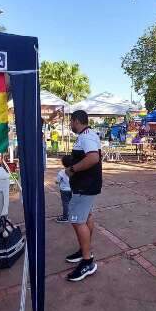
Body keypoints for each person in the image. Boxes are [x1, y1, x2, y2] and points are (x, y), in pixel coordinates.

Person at [64, 110, 102, 282]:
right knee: (86, 217)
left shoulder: (86, 136)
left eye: (71, 121)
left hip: (84, 186)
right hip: (87, 185)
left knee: (78, 220)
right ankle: (83, 250)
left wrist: (72, 169)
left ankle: (87, 261)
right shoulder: (88, 134)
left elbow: (93, 158)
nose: (70, 125)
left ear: (77, 120)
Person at [55, 155, 73, 223]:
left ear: (63, 163)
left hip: (64, 191)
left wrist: (57, 181)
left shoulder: (61, 172)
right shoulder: (74, 170)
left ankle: (65, 217)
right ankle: (72, 215)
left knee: (65, 203)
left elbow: (57, 181)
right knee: (72, 203)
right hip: (72, 190)